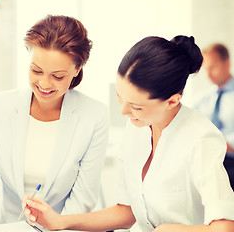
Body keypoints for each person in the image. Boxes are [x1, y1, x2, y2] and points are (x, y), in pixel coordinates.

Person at [22, 36, 234, 232]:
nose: (124, 112)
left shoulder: (201, 138)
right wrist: (59, 221)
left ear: (172, 101)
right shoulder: (137, 127)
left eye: (136, 106)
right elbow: (127, 211)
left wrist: (167, 230)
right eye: (120, 97)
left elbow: (224, 227)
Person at [0, 15, 109, 232]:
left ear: (77, 69)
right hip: (8, 227)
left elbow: (83, 198)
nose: (44, 84)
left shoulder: (95, 116)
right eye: (36, 70)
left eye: (57, 76)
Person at [195, 43, 234, 190]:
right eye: (206, 69)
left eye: (213, 67)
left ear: (227, 63)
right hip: (208, 162)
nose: (208, 74)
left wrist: (219, 144)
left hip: (230, 162)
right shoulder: (204, 99)